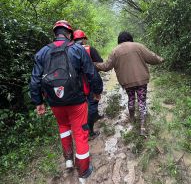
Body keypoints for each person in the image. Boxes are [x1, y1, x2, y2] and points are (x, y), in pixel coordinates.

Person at [30, 20, 96, 183]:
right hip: (77, 101)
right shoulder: (77, 49)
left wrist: (38, 102)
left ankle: (68, 160)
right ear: (69, 34)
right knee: (80, 133)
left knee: (64, 127)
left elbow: (35, 80)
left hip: (54, 101)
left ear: (55, 33)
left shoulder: (42, 52)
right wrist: (97, 91)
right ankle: (83, 172)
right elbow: (91, 73)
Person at [95, 31, 164, 137]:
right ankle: (142, 127)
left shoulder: (115, 51)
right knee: (142, 101)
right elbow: (152, 57)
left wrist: (94, 65)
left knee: (131, 98)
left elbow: (106, 66)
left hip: (127, 82)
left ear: (119, 40)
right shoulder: (139, 46)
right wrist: (161, 59)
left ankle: (132, 119)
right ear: (130, 38)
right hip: (141, 80)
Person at [73, 29, 103, 140]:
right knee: (92, 103)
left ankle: (94, 117)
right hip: (89, 81)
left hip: (75, 84)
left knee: (82, 106)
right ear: (84, 39)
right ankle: (90, 131)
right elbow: (100, 62)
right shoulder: (89, 49)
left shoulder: (68, 50)